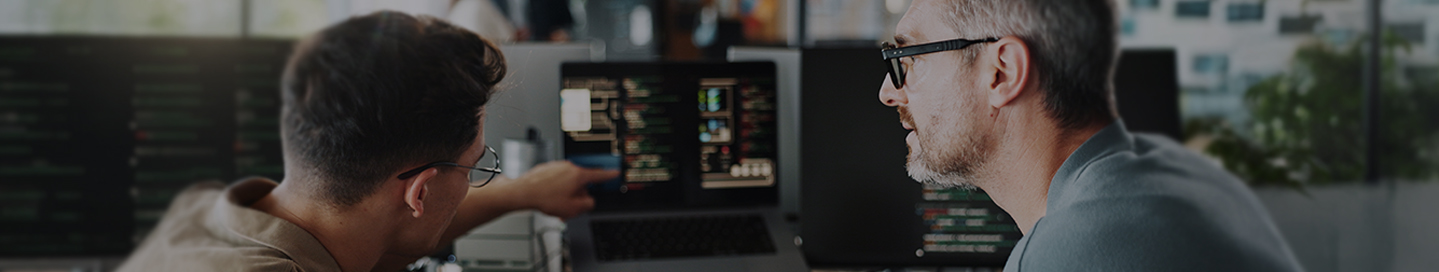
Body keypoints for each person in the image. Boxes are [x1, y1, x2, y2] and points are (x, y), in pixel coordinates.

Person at [117, 11, 618, 272]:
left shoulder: (205, 211)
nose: (474, 180)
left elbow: (390, 229)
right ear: (420, 192)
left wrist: (525, 191)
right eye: (474, 167)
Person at [876, 0, 1303, 270]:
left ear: (1001, 72)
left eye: (908, 58)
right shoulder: (1179, 187)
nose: (888, 92)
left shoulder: (1070, 249)